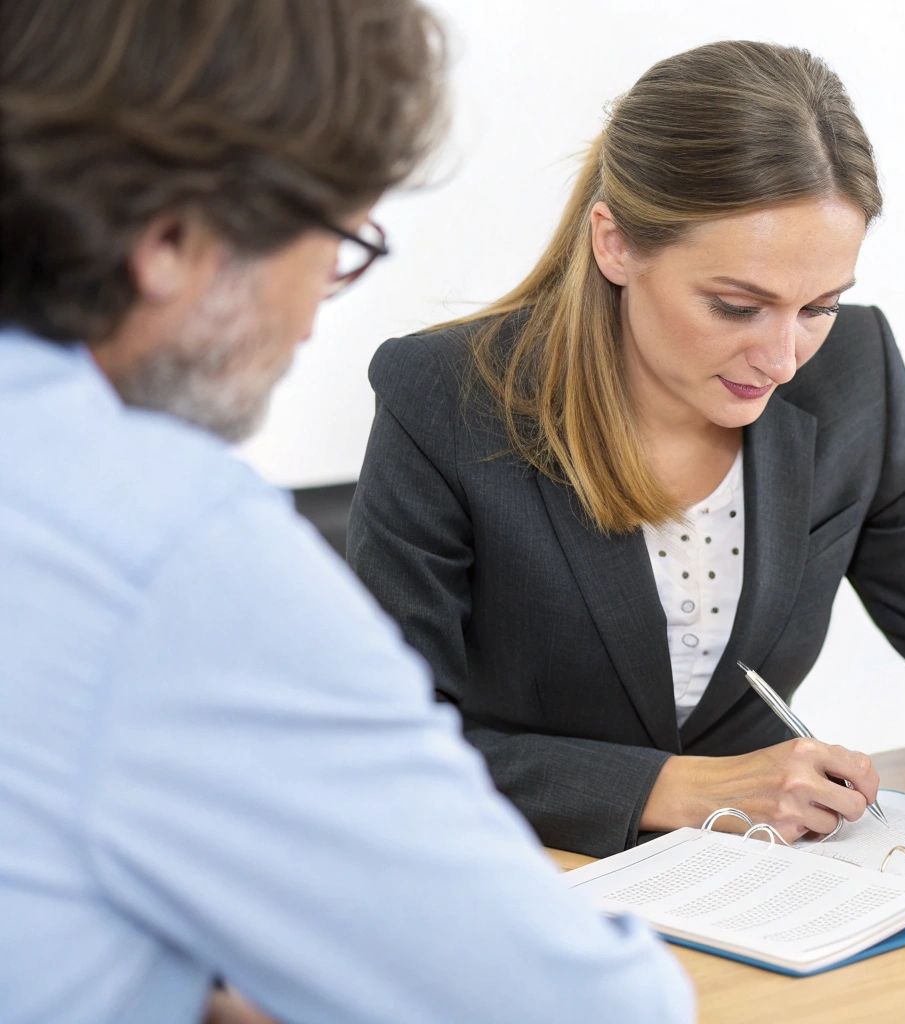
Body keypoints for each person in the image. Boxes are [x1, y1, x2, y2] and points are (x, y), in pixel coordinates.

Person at [348, 40, 905, 861]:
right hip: (523, 873)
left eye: (818, 306)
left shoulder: (854, 376)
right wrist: (674, 789)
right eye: (736, 306)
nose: (782, 359)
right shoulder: (447, 394)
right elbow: (383, 743)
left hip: (765, 888)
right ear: (614, 244)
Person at [0, 3, 691, 1022]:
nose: (321, 303)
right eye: (336, 238)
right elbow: (591, 1010)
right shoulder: (167, 546)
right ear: (173, 238)